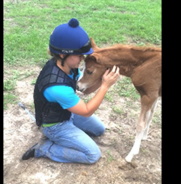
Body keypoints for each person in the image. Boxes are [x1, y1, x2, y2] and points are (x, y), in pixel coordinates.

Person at [22, 18, 120, 164]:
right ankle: (43, 148)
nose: (82, 58)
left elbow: (85, 91)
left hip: (68, 113)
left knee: (99, 130)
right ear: (63, 54)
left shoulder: (68, 67)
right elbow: (86, 110)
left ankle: (71, 132)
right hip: (55, 125)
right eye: (79, 54)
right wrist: (105, 86)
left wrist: (101, 79)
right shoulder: (57, 87)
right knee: (92, 155)